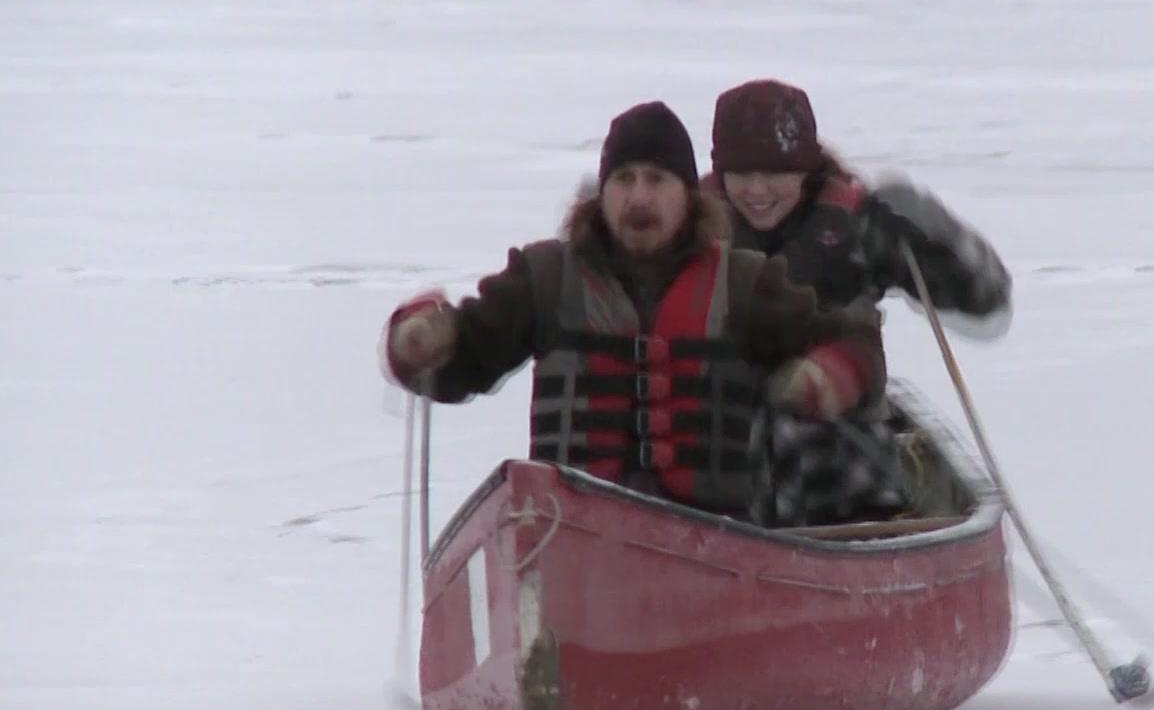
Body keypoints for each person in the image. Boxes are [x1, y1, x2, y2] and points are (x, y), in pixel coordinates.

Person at [382, 100, 888, 522]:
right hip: (571, 535)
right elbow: (464, 357)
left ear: (689, 198)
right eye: (623, 179)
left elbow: (852, 342)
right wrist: (424, 340)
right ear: (602, 194)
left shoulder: (744, 285)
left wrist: (824, 376)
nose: (638, 197)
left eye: (657, 179)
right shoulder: (545, 280)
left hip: (716, 547)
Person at [705, 79, 1013, 335]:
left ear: (806, 169)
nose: (757, 190)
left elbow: (986, 303)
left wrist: (936, 240)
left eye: (776, 172)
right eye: (741, 173)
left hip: (835, 394)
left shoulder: (857, 225)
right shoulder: (691, 223)